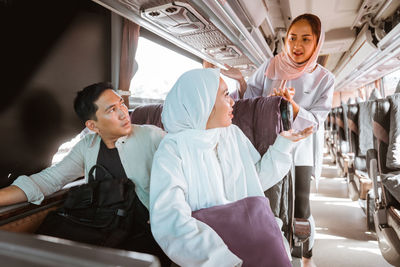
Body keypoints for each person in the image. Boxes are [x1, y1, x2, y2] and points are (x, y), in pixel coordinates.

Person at [149, 68, 313, 266]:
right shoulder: (172, 150)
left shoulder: (232, 135)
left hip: (254, 232)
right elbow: (170, 221)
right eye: (226, 95)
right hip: (206, 245)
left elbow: (255, 180)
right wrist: (220, 260)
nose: (233, 101)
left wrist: (283, 145)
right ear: (204, 102)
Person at [0, 82, 170, 266]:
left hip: (147, 233)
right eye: (112, 109)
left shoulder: (153, 137)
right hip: (106, 230)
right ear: (93, 125)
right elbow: (48, 180)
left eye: (121, 103)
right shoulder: (87, 147)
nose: (124, 113)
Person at [221, 13, 334, 266]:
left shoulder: (325, 79)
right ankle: (277, 252)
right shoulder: (271, 66)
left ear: (317, 42)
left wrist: (292, 107)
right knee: (271, 204)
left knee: (301, 210)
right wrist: (240, 81)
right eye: (292, 38)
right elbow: (248, 100)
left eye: (306, 39)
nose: (297, 45)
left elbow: (317, 120)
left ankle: (306, 256)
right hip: (266, 145)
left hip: (300, 150)